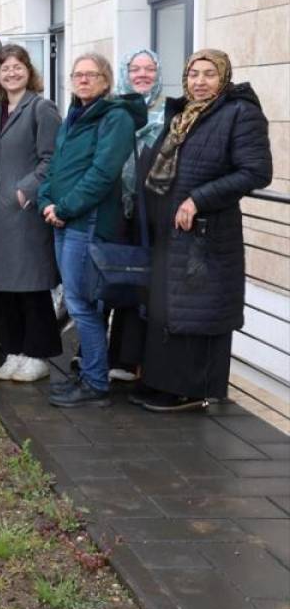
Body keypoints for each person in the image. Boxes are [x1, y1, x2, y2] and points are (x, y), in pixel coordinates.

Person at [134, 49, 272, 412]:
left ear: (224, 77)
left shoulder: (240, 114)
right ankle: (163, 383)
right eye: (194, 74)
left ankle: (191, 390)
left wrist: (199, 199)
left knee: (198, 310)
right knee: (170, 308)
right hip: (170, 229)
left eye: (209, 74)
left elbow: (256, 171)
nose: (199, 81)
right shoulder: (182, 114)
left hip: (206, 232)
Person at [38, 53, 146, 407]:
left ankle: (95, 383)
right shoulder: (75, 114)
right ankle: (90, 376)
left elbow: (102, 174)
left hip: (87, 223)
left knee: (81, 304)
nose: (83, 80)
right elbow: (56, 166)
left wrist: (65, 208)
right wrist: (45, 201)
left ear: (106, 80)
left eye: (91, 75)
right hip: (62, 219)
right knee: (80, 301)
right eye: (77, 75)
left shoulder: (115, 118)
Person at [0, 46, 63, 383]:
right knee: (2, 288)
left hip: (24, 211)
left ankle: (38, 354)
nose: (11, 73)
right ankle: (14, 349)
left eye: (17, 67)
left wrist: (26, 189)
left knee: (30, 286)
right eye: (4, 69)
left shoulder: (42, 109)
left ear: (28, 71)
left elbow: (53, 157)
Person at [105, 49, 165, 381]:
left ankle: (132, 359)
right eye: (135, 69)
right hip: (116, 207)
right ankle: (99, 354)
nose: (142, 74)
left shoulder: (170, 112)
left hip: (152, 210)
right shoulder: (114, 109)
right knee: (111, 276)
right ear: (125, 72)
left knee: (142, 283)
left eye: (150, 69)